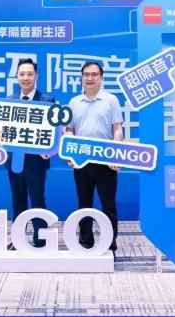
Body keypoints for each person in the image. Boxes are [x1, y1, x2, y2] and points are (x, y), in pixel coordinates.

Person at [66, 61, 123, 252]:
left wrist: (116, 156)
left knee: (108, 203)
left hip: (106, 160)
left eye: (94, 74)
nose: (90, 78)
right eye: (86, 74)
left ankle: (110, 241)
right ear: (81, 77)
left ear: (101, 77)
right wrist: (70, 154)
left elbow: (117, 128)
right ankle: (86, 240)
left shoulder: (111, 100)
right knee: (84, 203)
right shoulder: (74, 102)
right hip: (81, 160)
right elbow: (69, 130)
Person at [5, 58, 53, 249]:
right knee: (17, 199)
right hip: (14, 160)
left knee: (37, 198)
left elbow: (55, 131)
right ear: (17, 76)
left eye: (29, 74)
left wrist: (49, 150)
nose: (26, 77)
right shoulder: (8, 101)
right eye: (22, 74)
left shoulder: (47, 100)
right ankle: (17, 239)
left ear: (36, 76)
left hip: (36, 161)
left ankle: (41, 239)